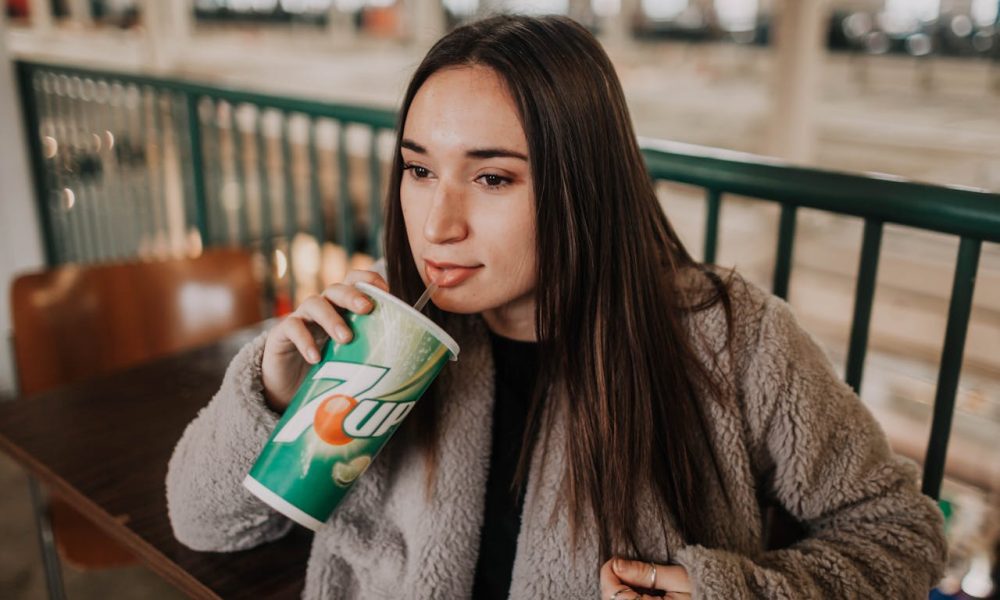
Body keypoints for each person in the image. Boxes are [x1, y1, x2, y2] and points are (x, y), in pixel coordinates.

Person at [166, 14, 947, 599]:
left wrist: (732, 592)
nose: (438, 224)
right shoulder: (376, 330)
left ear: (583, 185)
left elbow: (901, 538)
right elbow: (206, 525)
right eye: (418, 169)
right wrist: (270, 396)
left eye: (494, 178)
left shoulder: (731, 337)